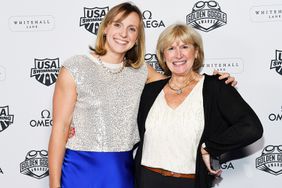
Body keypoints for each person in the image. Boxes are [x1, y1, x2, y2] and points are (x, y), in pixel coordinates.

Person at [48, 2, 236, 188]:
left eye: (131, 29)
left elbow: (184, 84)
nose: (123, 34)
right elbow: (60, 129)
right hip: (79, 168)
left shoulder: (141, 72)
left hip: (121, 171)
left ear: (137, 38)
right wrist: (54, 184)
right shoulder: (75, 67)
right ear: (105, 28)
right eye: (118, 25)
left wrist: (216, 84)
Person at [134, 23, 263, 188]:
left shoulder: (215, 87)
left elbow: (251, 128)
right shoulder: (150, 91)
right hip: (147, 180)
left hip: (189, 182)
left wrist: (210, 147)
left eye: (184, 46)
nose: (178, 54)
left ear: (196, 52)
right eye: (171, 48)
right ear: (163, 55)